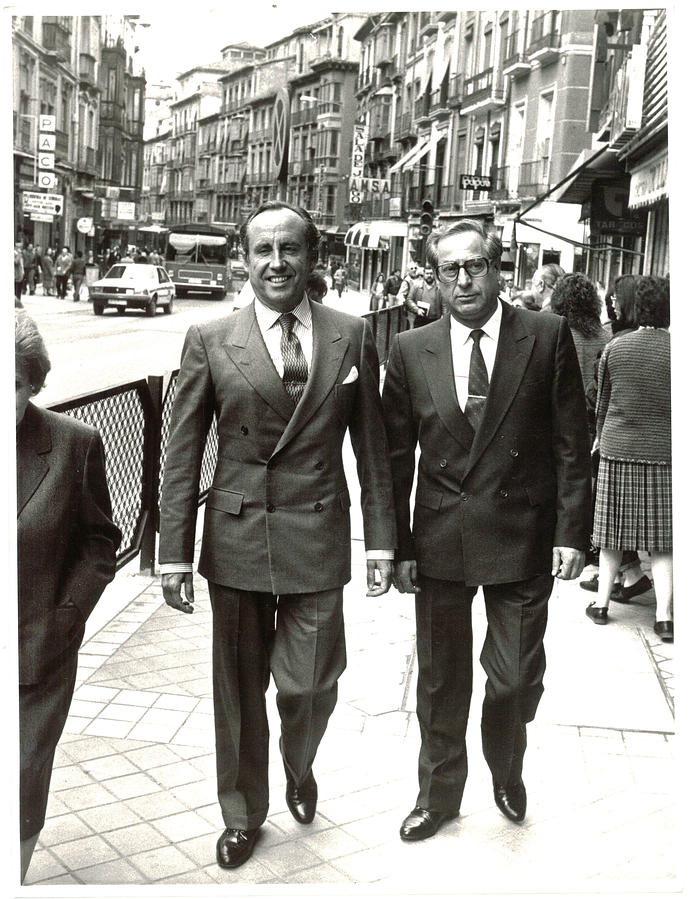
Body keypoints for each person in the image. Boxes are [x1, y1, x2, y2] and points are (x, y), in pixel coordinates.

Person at [158, 200, 396, 870]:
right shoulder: (209, 337)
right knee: (237, 690)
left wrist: (380, 541)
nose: (276, 263)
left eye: (289, 249)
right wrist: (173, 551)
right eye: (262, 249)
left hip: (317, 534)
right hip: (236, 538)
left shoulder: (349, 333)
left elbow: (372, 447)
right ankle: (242, 812)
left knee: (311, 684)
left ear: (312, 257)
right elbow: (181, 452)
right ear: (243, 256)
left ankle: (299, 761)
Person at [381, 219, 591, 842]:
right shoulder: (409, 348)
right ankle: (437, 793)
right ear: (435, 278)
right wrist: (396, 545)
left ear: (498, 268)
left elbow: (572, 446)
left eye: (476, 266)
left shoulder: (547, 337)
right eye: (451, 270)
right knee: (442, 679)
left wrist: (572, 535)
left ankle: (507, 765)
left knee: (516, 677)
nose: (465, 280)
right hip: (441, 538)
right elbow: (394, 458)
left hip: (525, 537)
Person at [15, 311, 121, 882]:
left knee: (23, 783)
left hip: (35, 646)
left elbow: (100, 542)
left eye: (9, 384)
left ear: (33, 384)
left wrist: (67, 616)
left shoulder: (71, 445)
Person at [585, 276, 673, 642]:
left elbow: (602, 404)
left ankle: (603, 604)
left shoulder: (617, 348)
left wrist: (599, 440)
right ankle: (665, 617)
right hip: (665, 454)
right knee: (664, 542)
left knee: (610, 536)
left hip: (618, 450)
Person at [580, 272, 650, 598]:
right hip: (640, 438)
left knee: (611, 510)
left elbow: (602, 394)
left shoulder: (619, 340)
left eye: (614, 299)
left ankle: (627, 574)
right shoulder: (638, 336)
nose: (610, 304)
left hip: (615, 436)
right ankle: (627, 574)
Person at [15, 240, 25, 306]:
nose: (20, 247)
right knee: (16, 289)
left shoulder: (20, 254)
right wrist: (19, 254)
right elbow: (15, 262)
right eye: (19, 246)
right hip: (16, 274)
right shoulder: (15, 253)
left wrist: (23, 271)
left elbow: (21, 264)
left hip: (20, 274)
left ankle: (18, 301)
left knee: (19, 289)